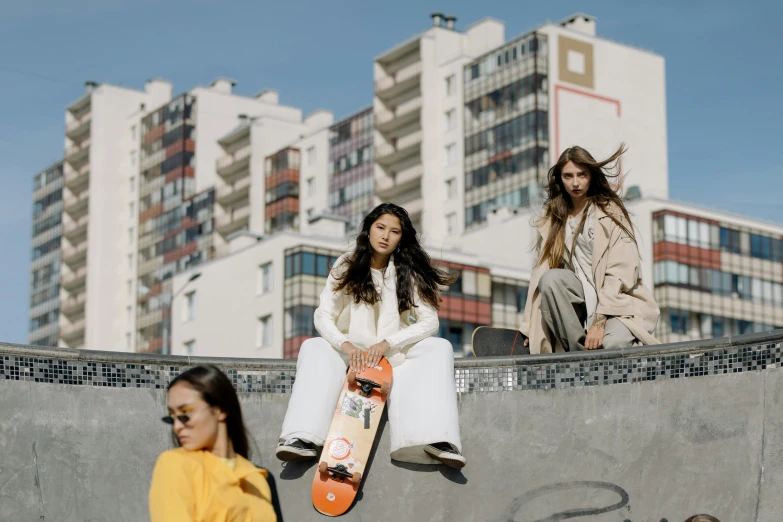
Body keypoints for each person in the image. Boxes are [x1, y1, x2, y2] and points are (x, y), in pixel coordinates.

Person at [275, 203, 466, 469]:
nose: (386, 236)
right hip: (348, 356)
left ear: (402, 237)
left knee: (439, 347)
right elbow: (323, 315)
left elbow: (430, 321)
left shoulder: (406, 270)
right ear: (368, 229)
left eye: (394, 231)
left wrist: (389, 343)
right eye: (380, 228)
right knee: (314, 347)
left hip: (391, 357)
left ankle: (433, 440)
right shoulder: (347, 263)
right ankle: (301, 438)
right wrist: (346, 346)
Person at [520, 144, 660, 353]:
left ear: (591, 176)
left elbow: (621, 272)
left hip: (616, 305)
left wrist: (599, 320)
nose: (575, 182)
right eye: (568, 176)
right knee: (549, 279)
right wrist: (528, 327)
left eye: (582, 175)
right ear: (560, 179)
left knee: (613, 345)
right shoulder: (553, 218)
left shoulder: (610, 211)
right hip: (579, 303)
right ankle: (579, 356)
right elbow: (539, 273)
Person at [149, 365, 278, 522]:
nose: (177, 427)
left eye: (185, 414)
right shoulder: (175, 464)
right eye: (172, 417)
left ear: (220, 410)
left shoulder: (259, 478)